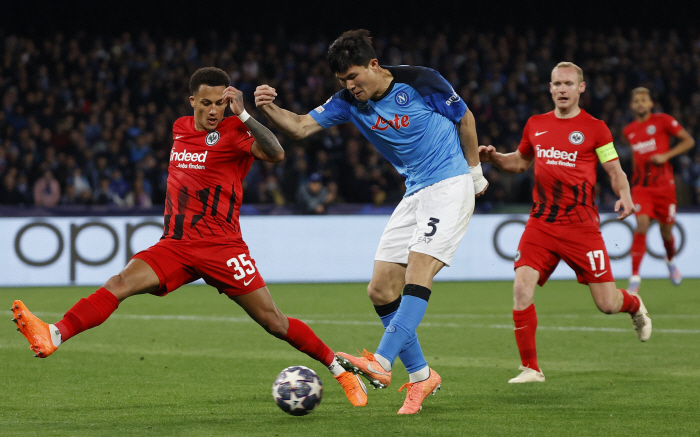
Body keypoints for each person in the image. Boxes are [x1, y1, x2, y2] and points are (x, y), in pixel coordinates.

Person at [12, 67, 368, 408]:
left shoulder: (235, 131)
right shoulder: (180, 128)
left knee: (274, 322)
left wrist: (243, 115)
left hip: (222, 247)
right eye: (207, 103)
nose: (214, 111)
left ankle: (339, 371)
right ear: (192, 102)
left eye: (220, 103)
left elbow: (276, 153)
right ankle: (54, 334)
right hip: (176, 245)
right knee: (120, 282)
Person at [255, 29, 488, 414]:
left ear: (374, 65)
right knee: (380, 290)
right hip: (414, 192)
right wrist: (262, 109)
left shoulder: (421, 81)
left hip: (449, 183)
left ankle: (380, 362)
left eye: (354, 77)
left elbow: (465, 119)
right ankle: (422, 376)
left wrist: (475, 172)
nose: (350, 86)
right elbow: (299, 127)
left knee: (418, 272)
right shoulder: (347, 102)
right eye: (342, 81)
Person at [478, 62, 652, 384]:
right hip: (541, 223)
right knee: (521, 287)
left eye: (568, 84)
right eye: (556, 83)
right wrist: (496, 159)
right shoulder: (535, 124)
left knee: (607, 303)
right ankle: (531, 368)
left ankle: (634, 303)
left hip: (581, 227)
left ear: (581, 88)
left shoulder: (596, 128)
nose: (561, 89)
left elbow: (615, 171)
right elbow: (519, 162)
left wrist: (625, 195)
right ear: (550, 88)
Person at [621, 87, 695, 292]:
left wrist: (666, 156)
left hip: (665, 188)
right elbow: (637, 160)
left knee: (666, 233)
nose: (640, 104)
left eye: (644, 100)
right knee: (642, 225)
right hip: (642, 188)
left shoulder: (663, 121)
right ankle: (634, 278)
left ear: (651, 104)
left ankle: (670, 260)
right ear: (631, 106)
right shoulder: (629, 130)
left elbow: (689, 141)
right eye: (636, 101)